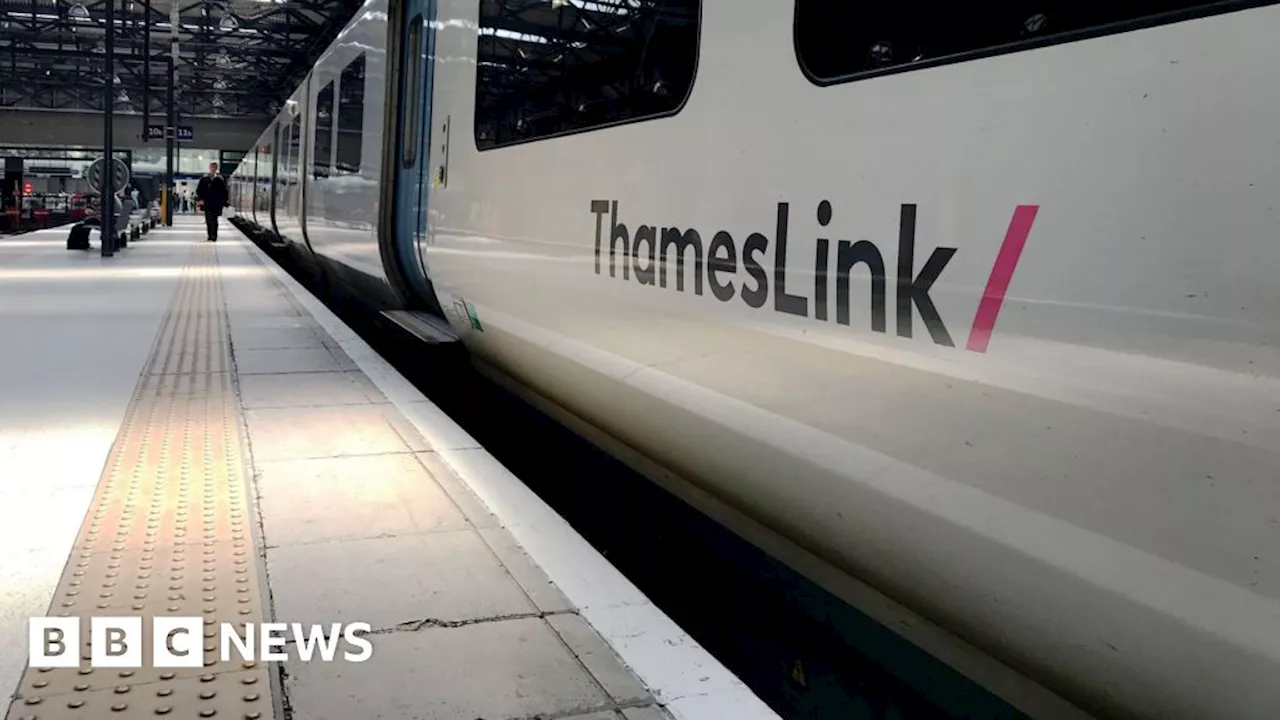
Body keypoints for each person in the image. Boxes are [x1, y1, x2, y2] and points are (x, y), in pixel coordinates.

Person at [195, 163, 228, 242]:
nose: (213, 169)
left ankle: (214, 236)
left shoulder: (220, 180)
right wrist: (200, 199)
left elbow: (224, 192)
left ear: (216, 169)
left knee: (215, 220)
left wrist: (223, 202)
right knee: (209, 220)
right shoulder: (204, 179)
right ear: (209, 168)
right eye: (211, 168)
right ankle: (210, 235)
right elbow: (199, 190)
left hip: (216, 204)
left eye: (214, 168)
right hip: (207, 203)